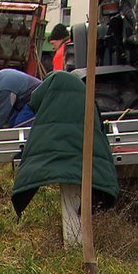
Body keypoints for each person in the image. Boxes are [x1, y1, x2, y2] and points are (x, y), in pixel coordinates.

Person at [11, 71, 119, 218]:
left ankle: (75, 233)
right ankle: (78, 228)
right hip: (83, 160)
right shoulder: (83, 92)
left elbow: (34, 103)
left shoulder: (51, 88)